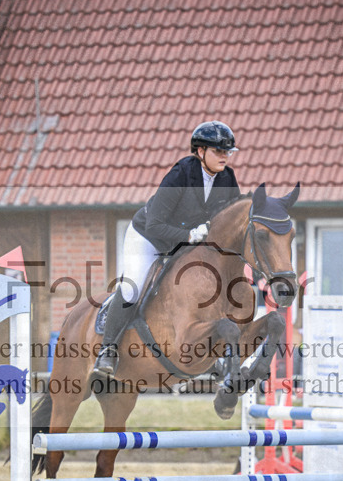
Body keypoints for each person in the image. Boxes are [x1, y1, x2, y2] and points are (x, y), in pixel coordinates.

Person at [93, 120, 241, 377]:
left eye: (227, 152)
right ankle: (108, 350)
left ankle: (216, 354)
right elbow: (155, 224)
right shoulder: (181, 174)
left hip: (188, 244)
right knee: (133, 286)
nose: (224, 157)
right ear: (200, 151)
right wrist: (189, 235)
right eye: (219, 151)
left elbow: (231, 219)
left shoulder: (226, 178)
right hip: (149, 238)